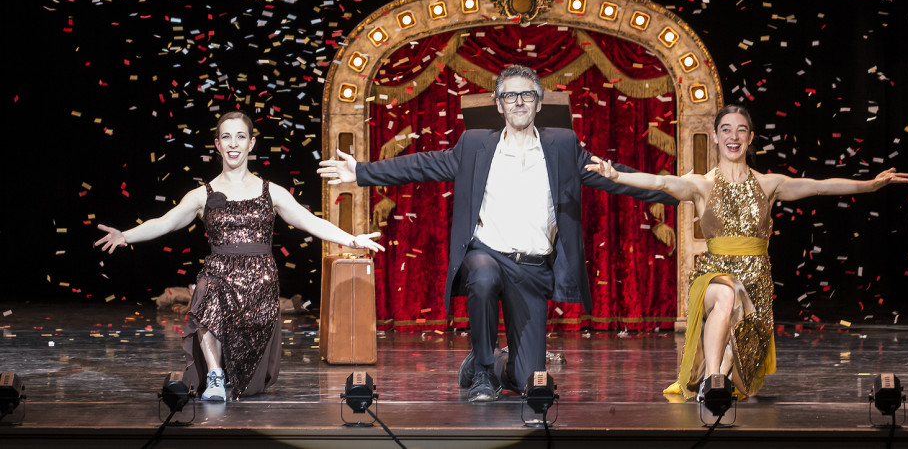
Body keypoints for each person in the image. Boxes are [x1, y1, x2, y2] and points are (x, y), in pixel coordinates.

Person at [318, 64, 678, 403]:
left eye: (526, 95)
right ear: (499, 105)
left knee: (527, 382)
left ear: (538, 102)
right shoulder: (477, 145)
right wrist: (362, 172)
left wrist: (676, 191)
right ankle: (484, 372)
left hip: (533, 270)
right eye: (510, 96)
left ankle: (490, 364)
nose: (518, 102)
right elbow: (423, 163)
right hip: (487, 254)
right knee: (485, 278)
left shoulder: (563, 145)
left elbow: (612, 176)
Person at [586, 104, 908, 401]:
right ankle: (712, 383)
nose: (734, 135)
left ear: (750, 137)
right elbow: (659, 182)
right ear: (715, 136)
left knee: (742, 375)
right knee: (727, 296)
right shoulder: (700, 184)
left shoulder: (769, 184)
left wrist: (870, 185)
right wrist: (617, 175)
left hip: (756, 279)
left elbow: (818, 185)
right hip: (713, 273)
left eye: (741, 129)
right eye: (726, 129)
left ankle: (722, 375)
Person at [95, 111, 384, 401]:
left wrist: (352, 239)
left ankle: (234, 369)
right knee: (207, 288)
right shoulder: (202, 195)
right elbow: (165, 222)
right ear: (218, 145)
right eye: (226, 137)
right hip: (219, 271)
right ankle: (215, 375)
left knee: (247, 369)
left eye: (240, 136)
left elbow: (310, 222)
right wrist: (125, 235)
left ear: (251, 144)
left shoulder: (271, 192)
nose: (233, 143)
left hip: (260, 280)